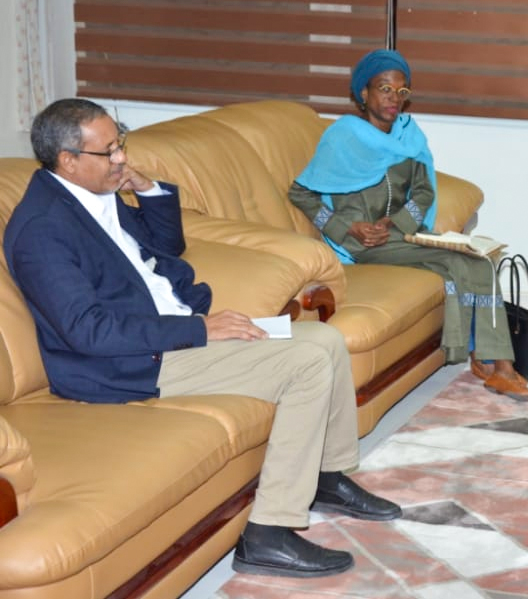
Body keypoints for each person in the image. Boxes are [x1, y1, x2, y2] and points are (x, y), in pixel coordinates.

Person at [3, 98, 402, 579]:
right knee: (306, 363)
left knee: (324, 340)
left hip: (169, 331)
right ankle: (269, 533)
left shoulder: (92, 193)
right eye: (108, 152)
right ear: (68, 160)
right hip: (129, 362)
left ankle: (326, 476)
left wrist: (148, 190)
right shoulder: (43, 229)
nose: (121, 158)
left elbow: (166, 247)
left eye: (120, 143)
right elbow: (90, 330)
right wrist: (199, 329)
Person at [289, 49, 528, 401]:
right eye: (384, 89)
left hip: (402, 234)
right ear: (363, 93)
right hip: (361, 245)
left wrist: (398, 221)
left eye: (401, 91)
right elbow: (301, 192)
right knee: (468, 264)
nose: (394, 99)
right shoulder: (343, 138)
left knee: (475, 260)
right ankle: (497, 364)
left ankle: (490, 359)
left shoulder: (408, 136)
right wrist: (349, 228)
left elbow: (423, 190)